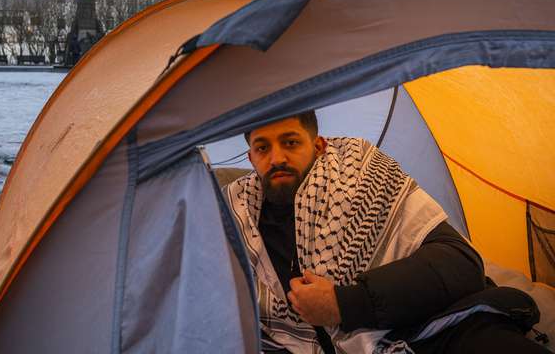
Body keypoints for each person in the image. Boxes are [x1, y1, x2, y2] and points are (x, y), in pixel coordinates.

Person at [223, 111, 546, 354]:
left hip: (439, 329)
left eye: (290, 142)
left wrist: (343, 303)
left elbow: (461, 265)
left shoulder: (362, 178)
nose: (277, 158)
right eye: (262, 148)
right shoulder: (236, 219)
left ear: (318, 145)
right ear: (251, 157)